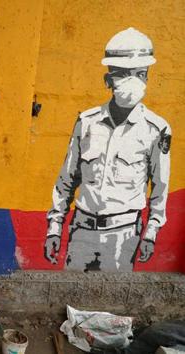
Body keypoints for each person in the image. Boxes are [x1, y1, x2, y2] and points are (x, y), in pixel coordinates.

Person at [44, 28, 171, 271]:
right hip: (81, 229)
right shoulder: (87, 121)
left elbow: (160, 188)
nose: (134, 82)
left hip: (124, 235)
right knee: (73, 301)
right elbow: (66, 180)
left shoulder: (157, 129)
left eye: (141, 74)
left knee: (113, 306)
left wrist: (151, 233)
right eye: (123, 74)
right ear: (108, 79)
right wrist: (54, 228)